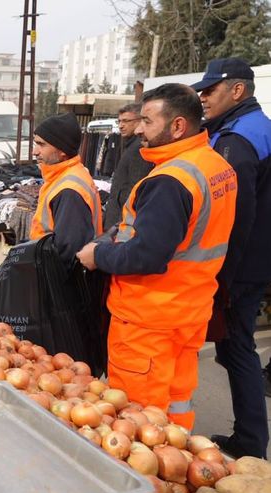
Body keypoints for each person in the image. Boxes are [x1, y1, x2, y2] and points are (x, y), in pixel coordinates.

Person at [76, 84, 237, 430]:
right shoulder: (215, 165)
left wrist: (98, 254)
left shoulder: (171, 180)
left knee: (136, 420)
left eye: (147, 122)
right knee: (176, 401)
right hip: (188, 310)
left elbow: (147, 255)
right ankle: (177, 465)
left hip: (148, 320)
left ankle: (146, 480)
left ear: (177, 126)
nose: (137, 130)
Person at [191, 58, 271, 458]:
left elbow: (238, 218)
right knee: (235, 347)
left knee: (236, 346)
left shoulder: (239, 138)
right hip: (254, 260)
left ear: (237, 90)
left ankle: (252, 444)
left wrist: (222, 280)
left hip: (242, 265)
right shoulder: (248, 128)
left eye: (210, 90)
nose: (202, 98)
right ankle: (251, 438)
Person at [29, 112, 103, 265]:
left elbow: (67, 251)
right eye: (35, 144)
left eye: (41, 144)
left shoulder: (69, 189)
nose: (35, 151)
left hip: (58, 280)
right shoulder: (66, 176)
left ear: (62, 150)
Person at [103, 103, 155, 229]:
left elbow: (133, 190)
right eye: (119, 121)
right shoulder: (129, 145)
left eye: (126, 121)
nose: (121, 125)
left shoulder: (138, 148)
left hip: (121, 223)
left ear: (139, 121)